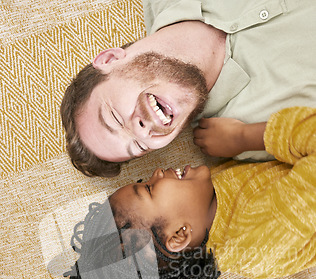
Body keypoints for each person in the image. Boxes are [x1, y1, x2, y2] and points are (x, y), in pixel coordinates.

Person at [66, 106, 316, 279]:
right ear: (179, 234)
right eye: (150, 189)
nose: (157, 172)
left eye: (145, 180)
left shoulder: (208, 207)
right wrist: (244, 137)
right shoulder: (266, 228)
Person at [60, 0, 316, 177]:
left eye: (115, 118)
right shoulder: (258, 131)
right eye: (139, 146)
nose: (142, 131)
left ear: (110, 60)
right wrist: (247, 137)